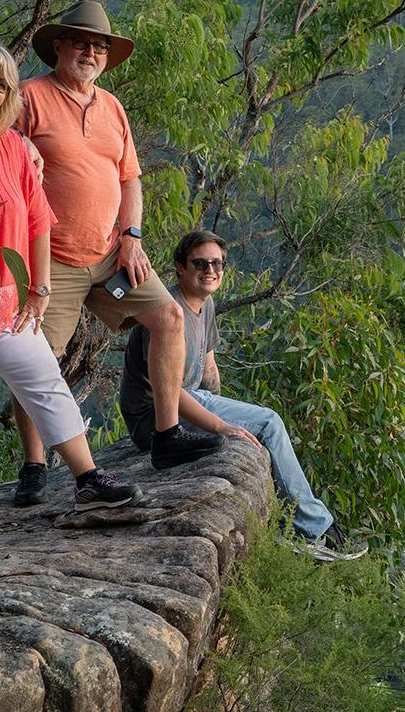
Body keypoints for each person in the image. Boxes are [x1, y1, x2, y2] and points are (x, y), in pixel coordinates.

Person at [0, 43, 140, 550]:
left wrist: (40, 286)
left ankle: (87, 480)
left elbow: (38, 220)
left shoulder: (14, 148)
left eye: (0, 83)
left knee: (43, 380)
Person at [10, 0, 220, 504]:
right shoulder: (29, 98)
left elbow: (130, 180)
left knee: (169, 318)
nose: (89, 52)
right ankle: (35, 464)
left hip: (110, 253)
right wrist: (22, 150)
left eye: (99, 46)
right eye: (80, 42)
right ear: (57, 45)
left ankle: (166, 435)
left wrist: (133, 235)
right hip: (50, 255)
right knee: (37, 358)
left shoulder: (112, 107)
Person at [119, 230, 368, 562]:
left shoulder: (203, 305)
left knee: (257, 427)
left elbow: (208, 368)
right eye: (200, 263)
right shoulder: (166, 311)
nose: (211, 271)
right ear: (180, 267)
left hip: (189, 398)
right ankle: (315, 529)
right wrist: (221, 425)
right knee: (269, 422)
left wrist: (227, 411)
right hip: (156, 416)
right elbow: (169, 390)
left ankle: (295, 522)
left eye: (217, 264)